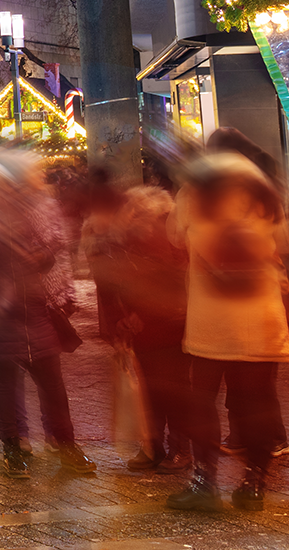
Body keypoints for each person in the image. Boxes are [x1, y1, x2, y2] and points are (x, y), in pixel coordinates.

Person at [0, 151, 96, 478]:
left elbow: (48, 254)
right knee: (4, 381)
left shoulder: (33, 209)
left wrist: (40, 257)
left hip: (34, 308)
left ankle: (65, 445)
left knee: (52, 381)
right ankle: (14, 448)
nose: (38, 178)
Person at [168, 150, 289, 512]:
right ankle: (254, 482)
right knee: (258, 402)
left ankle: (204, 482)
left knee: (202, 400)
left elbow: (175, 237)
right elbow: (281, 244)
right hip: (262, 318)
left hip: (213, 321)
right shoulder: (263, 194)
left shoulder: (195, 193)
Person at [88, 184, 190, 470]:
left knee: (173, 390)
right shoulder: (128, 241)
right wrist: (121, 318)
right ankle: (154, 446)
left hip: (169, 326)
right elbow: (114, 283)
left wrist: (138, 315)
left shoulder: (169, 240)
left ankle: (179, 448)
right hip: (144, 329)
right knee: (150, 390)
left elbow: (171, 283)